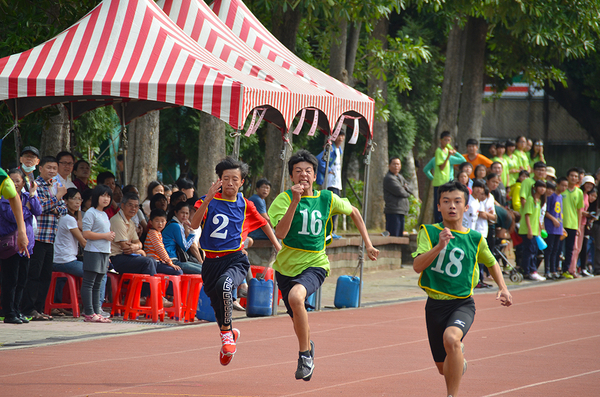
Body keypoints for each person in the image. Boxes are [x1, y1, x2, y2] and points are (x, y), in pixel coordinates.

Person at [268, 150, 379, 381]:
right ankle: (307, 344)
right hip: (286, 268)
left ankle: (304, 356)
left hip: (315, 263)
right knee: (298, 320)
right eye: (298, 171)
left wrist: (367, 244)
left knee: (296, 298)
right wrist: (294, 203)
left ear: (315, 176)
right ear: (291, 177)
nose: (303, 175)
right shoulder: (283, 200)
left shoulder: (327, 199)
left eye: (308, 170)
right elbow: (280, 233)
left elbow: (355, 212)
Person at [412, 180, 512, 397]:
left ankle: (452, 395)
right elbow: (417, 266)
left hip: (462, 304)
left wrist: (503, 287)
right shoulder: (428, 233)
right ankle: (459, 360)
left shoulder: (475, 239)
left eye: (457, 201)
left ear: (466, 207)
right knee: (443, 368)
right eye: (446, 201)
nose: (452, 206)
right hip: (435, 306)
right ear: (438, 206)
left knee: (451, 339)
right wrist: (439, 246)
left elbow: (492, 262)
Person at [190, 157, 281, 366]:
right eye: (226, 178)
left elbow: (264, 224)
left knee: (226, 285)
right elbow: (194, 225)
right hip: (211, 262)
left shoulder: (245, 204)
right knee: (218, 306)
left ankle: (226, 336)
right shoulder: (208, 200)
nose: (230, 183)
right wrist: (207, 200)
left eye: (234, 179)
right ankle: (229, 333)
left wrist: (277, 246)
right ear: (219, 180)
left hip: (235, 259)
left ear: (242, 182)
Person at [21, 156, 67, 321]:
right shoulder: (36, 185)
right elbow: (38, 207)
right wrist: (57, 198)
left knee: (46, 276)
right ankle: (28, 309)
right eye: (49, 167)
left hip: (50, 238)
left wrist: (55, 203)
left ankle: (39, 309)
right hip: (38, 236)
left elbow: (63, 209)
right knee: (34, 274)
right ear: (40, 168)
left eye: (55, 168)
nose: (52, 171)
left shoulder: (55, 186)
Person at [52, 188, 107, 317]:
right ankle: (95, 307)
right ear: (65, 201)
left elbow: (81, 225)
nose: (78, 202)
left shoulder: (65, 217)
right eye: (74, 199)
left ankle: (57, 304)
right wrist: (100, 252)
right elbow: (83, 242)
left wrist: (79, 213)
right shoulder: (68, 219)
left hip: (58, 260)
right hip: (66, 261)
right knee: (99, 274)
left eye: (79, 199)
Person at [109, 193, 167, 306]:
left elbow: (138, 243)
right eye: (130, 205)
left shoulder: (130, 222)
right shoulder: (117, 220)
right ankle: (153, 296)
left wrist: (137, 247)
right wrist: (140, 250)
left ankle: (144, 295)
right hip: (116, 259)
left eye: (136, 206)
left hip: (128, 257)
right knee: (148, 261)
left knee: (151, 262)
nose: (133, 208)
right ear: (122, 205)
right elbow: (126, 248)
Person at [0, 168, 35, 324]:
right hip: (10, 245)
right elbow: (11, 216)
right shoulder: (4, 198)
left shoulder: (27, 196)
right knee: (10, 279)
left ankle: (17, 310)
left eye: (18, 181)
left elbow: (38, 210)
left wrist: (32, 196)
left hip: (26, 244)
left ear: (23, 183)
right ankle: (8, 312)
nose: (14, 184)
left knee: (21, 279)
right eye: (12, 180)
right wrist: (26, 208)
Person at [81, 185, 115, 322]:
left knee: (98, 284)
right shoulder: (91, 212)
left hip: (104, 252)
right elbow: (86, 233)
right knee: (89, 282)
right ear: (96, 197)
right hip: (93, 251)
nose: (106, 199)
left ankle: (96, 312)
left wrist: (108, 236)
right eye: (103, 196)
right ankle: (89, 312)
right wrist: (105, 236)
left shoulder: (104, 214)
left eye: (108, 196)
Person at [316, 131, 345, 238]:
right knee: (329, 206)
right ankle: (327, 231)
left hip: (336, 183)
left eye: (342, 136)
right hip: (329, 182)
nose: (341, 138)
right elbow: (319, 159)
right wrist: (328, 170)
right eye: (339, 135)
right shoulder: (330, 148)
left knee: (335, 206)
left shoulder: (339, 150)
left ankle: (331, 231)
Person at [161, 201, 203, 274]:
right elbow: (185, 247)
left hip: (174, 259)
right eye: (182, 213)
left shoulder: (173, 223)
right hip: (172, 260)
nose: (184, 216)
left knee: (204, 269)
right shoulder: (176, 226)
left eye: (187, 213)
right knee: (203, 271)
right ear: (176, 212)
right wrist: (192, 233)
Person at [519, 180, 546, 281]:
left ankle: (532, 270)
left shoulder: (538, 201)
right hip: (528, 230)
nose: (542, 189)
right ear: (535, 188)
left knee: (533, 251)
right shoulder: (531, 199)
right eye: (540, 187)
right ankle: (527, 271)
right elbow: (527, 215)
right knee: (529, 251)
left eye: (544, 187)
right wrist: (530, 230)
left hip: (534, 230)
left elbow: (537, 217)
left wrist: (539, 229)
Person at [144, 208, 185, 275]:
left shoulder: (158, 233)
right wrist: (170, 263)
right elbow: (160, 249)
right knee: (178, 272)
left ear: (166, 222)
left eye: (162, 221)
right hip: (154, 262)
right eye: (157, 221)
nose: (160, 224)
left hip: (159, 261)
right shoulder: (153, 233)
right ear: (151, 222)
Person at [471, 180, 496, 288]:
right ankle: (476, 280)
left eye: (481, 188)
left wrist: (488, 216)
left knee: (480, 258)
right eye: (477, 187)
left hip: (481, 233)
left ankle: (479, 279)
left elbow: (493, 217)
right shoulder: (470, 200)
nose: (479, 190)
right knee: (476, 258)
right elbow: (482, 215)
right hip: (474, 232)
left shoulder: (477, 202)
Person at [561, 168, 584, 279]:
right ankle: (556, 269)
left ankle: (566, 270)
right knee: (558, 248)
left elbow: (580, 210)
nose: (573, 178)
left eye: (576, 176)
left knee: (570, 249)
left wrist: (578, 226)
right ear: (567, 177)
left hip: (573, 224)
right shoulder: (562, 190)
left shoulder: (579, 192)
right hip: (561, 224)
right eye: (571, 176)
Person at [383, 157, 415, 237]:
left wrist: (406, 188)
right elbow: (401, 192)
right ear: (389, 165)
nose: (396, 166)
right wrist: (406, 190)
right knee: (394, 235)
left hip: (401, 210)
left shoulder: (400, 177)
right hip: (393, 210)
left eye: (398, 164)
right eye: (394, 164)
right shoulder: (389, 178)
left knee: (400, 235)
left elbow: (411, 188)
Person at [573, 175, 595, 277]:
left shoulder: (586, 195)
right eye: (587, 184)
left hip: (583, 223)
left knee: (579, 248)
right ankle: (571, 269)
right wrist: (584, 213)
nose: (589, 186)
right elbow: (579, 209)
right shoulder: (580, 193)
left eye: (591, 184)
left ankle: (577, 268)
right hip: (577, 222)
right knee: (575, 247)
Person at [433, 131, 457, 223]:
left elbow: (458, 155)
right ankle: (437, 223)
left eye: (449, 140)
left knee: (445, 202)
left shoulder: (447, 150)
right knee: (439, 203)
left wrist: (451, 151)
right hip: (439, 182)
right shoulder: (438, 151)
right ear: (441, 140)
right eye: (445, 140)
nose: (447, 142)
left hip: (446, 182)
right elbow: (441, 167)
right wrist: (448, 156)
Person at [544, 181, 564, 280]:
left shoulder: (560, 197)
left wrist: (562, 226)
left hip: (558, 227)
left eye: (565, 185)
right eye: (562, 185)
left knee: (556, 250)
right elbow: (546, 212)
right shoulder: (551, 196)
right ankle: (547, 270)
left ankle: (554, 270)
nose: (564, 187)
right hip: (551, 227)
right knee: (549, 249)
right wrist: (553, 219)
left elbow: (560, 213)